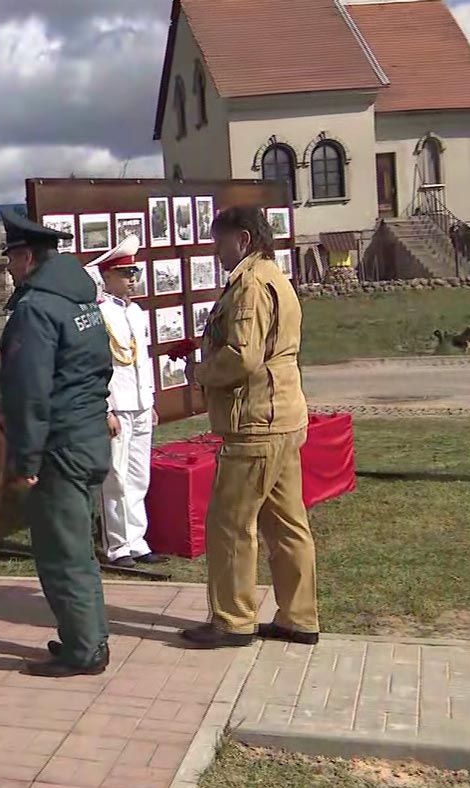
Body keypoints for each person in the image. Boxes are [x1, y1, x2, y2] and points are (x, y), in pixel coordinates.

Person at [178, 205, 319, 649]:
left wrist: (202, 373)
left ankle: (233, 619)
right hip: (281, 417)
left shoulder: (251, 284)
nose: (215, 251)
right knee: (286, 523)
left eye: (219, 241)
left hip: (256, 422)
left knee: (230, 523)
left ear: (242, 239)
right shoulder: (273, 277)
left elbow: (242, 355)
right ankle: (299, 616)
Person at [0, 207, 114, 677]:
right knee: (78, 548)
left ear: (26, 257)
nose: (7, 269)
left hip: (58, 448)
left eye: (10, 259)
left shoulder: (35, 309)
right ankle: (89, 638)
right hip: (87, 437)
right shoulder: (81, 302)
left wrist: (26, 458)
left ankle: (83, 650)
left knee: (62, 553)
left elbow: (29, 392)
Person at [88, 236, 164, 568]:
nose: (132, 278)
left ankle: (137, 539)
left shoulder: (136, 312)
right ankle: (117, 545)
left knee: (138, 474)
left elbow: (142, 360)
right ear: (107, 276)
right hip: (117, 404)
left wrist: (150, 400)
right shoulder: (99, 313)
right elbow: (98, 364)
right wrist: (106, 408)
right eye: (124, 272)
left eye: (133, 272)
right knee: (115, 476)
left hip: (139, 403)